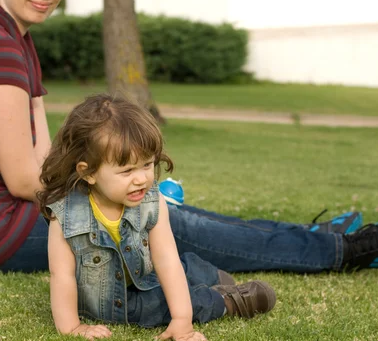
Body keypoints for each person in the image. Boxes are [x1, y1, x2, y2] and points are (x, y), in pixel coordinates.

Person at [0, 0, 378, 277]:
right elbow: (22, 179)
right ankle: (338, 252)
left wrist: (105, 186)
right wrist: (105, 191)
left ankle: (313, 236)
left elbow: (43, 154)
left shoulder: (14, 39)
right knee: (160, 220)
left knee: (159, 209)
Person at [37, 94, 277, 340]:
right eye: (127, 170)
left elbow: (166, 259)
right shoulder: (65, 215)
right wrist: (72, 327)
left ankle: (209, 276)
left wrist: (181, 321)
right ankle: (226, 301)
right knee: (155, 306)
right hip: (113, 303)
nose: (141, 178)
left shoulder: (152, 201)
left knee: (183, 267)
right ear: (88, 173)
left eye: (146, 165)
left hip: (147, 275)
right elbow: (62, 275)